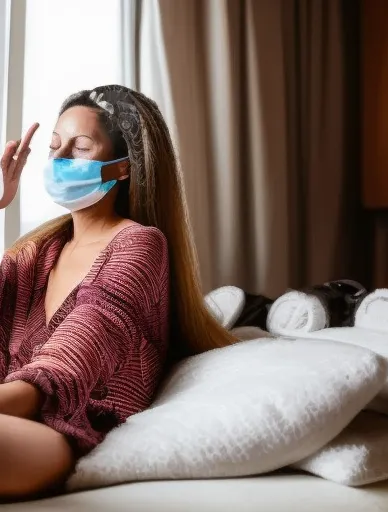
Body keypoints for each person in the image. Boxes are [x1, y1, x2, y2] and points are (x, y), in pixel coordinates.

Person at [0, 85, 236, 499]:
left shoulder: (140, 245)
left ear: (123, 167)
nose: (58, 160)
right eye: (55, 146)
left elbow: (64, 369)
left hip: (58, 429)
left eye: (79, 148)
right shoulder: (33, 255)